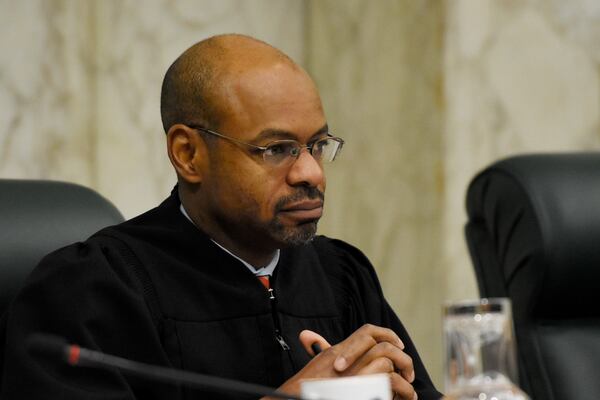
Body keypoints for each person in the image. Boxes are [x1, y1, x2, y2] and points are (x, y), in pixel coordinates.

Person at [0, 34, 442, 400]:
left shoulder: (339, 275)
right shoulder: (92, 291)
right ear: (188, 154)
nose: (311, 172)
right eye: (276, 149)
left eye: (317, 145)